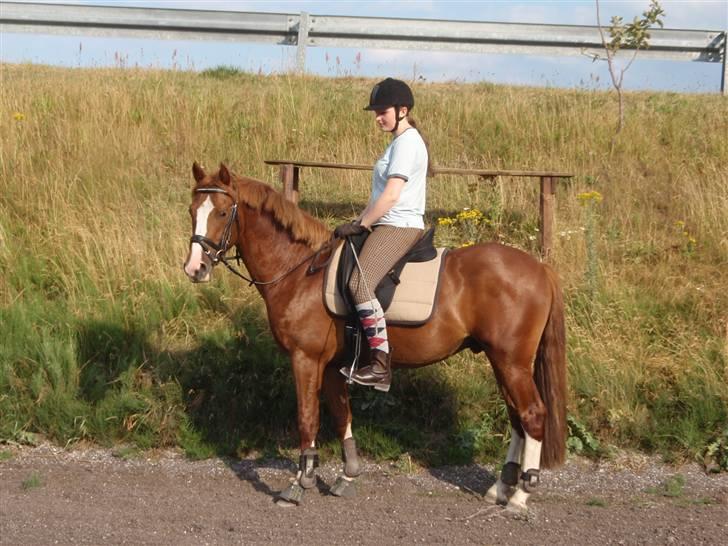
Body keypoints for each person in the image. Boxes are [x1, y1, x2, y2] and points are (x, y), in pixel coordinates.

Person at [334, 77, 430, 393]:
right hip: (385, 220)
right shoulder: (397, 142)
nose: (377, 117)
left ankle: (379, 363)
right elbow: (377, 197)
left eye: (382, 111)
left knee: (359, 283)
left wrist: (363, 225)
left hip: (398, 225)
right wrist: (358, 219)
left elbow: (390, 198)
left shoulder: (407, 143)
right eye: (375, 111)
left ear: (403, 110)